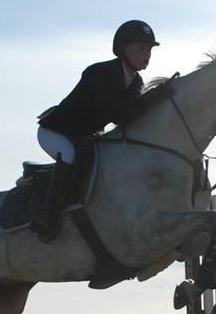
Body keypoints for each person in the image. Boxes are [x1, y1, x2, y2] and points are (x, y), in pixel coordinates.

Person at [32, 19, 172, 241]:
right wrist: (152, 98)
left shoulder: (136, 82)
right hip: (56, 132)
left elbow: (132, 117)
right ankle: (47, 216)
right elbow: (118, 114)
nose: (147, 55)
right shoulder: (100, 73)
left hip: (83, 136)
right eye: (141, 49)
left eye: (149, 50)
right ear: (123, 50)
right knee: (69, 156)